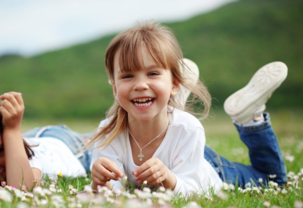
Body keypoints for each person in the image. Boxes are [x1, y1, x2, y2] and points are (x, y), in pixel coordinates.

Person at [87, 21, 287, 196]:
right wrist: (99, 183)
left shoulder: (189, 129)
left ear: (175, 84)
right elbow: (110, 192)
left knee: (273, 181)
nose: (140, 85)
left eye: (153, 73)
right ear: (114, 89)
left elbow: (193, 190)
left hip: (209, 169)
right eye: (127, 76)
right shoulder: (108, 132)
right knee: (177, 131)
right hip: (180, 144)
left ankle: (249, 118)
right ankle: (168, 104)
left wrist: (169, 179)